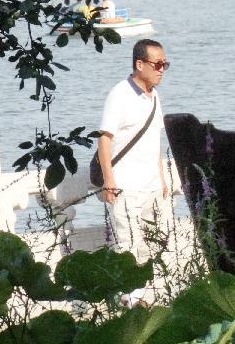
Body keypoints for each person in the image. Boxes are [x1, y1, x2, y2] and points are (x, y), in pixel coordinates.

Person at [97, 39, 172, 307]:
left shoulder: (154, 96)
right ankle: (129, 305)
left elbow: (154, 140)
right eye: (157, 64)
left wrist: (162, 179)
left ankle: (145, 302)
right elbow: (104, 140)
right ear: (139, 64)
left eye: (165, 64)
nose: (162, 69)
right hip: (126, 187)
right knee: (127, 248)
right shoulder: (119, 94)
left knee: (152, 247)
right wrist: (109, 181)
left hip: (152, 187)